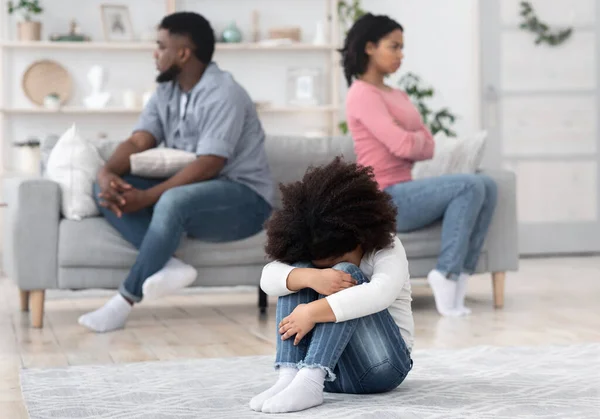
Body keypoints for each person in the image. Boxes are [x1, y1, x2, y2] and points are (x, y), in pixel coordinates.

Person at [78, 12, 273, 333]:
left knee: (172, 200)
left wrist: (148, 198)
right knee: (102, 186)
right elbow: (141, 139)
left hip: (243, 200)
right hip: (195, 193)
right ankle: (167, 264)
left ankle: (123, 301)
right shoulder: (167, 91)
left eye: (160, 46)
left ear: (183, 53)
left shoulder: (224, 92)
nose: (155, 53)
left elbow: (211, 163)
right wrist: (107, 172)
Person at [342, 13, 497, 317]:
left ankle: (460, 277)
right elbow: (405, 144)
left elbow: (427, 144)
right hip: (383, 195)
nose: (401, 55)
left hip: (405, 188)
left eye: (402, 48)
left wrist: (407, 137)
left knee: (488, 185)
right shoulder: (361, 93)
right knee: (469, 184)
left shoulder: (396, 94)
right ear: (370, 47)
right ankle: (445, 274)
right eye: (394, 46)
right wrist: (409, 138)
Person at [250, 157, 413, 414]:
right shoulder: (313, 251)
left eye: (335, 260)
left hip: (382, 368)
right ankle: (289, 376)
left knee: (347, 275)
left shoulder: (387, 248)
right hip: (333, 374)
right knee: (297, 271)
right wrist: (310, 277)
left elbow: (379, 294)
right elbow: (268, 278)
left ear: (358, 240)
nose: (329, 271)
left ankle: (310, 380)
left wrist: (311, 312)